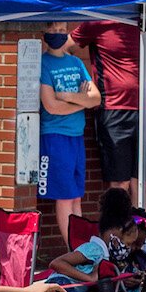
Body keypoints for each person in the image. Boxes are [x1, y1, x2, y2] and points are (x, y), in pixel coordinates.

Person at [71, 19, 146, 212]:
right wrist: (79, 82)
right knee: (120, 186)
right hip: (113, 110)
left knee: (142, 186)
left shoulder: (145, 18)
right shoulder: (97, 21)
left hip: (145, 109)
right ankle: (118, 239)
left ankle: (143, 240)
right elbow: (65, 48)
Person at [38, 22, 102, 244]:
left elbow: (95, 98)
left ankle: (80, 248)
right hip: (55, 137)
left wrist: (66, 96)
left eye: (62, 30)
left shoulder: (75, 62)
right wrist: (81, 101)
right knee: (65, 197)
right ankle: (73, 249)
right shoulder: (43, 63)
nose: (58, 34)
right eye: (53, 30)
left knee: (76, 197)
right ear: (44, 34)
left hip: (76, 135)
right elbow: (50, 106)